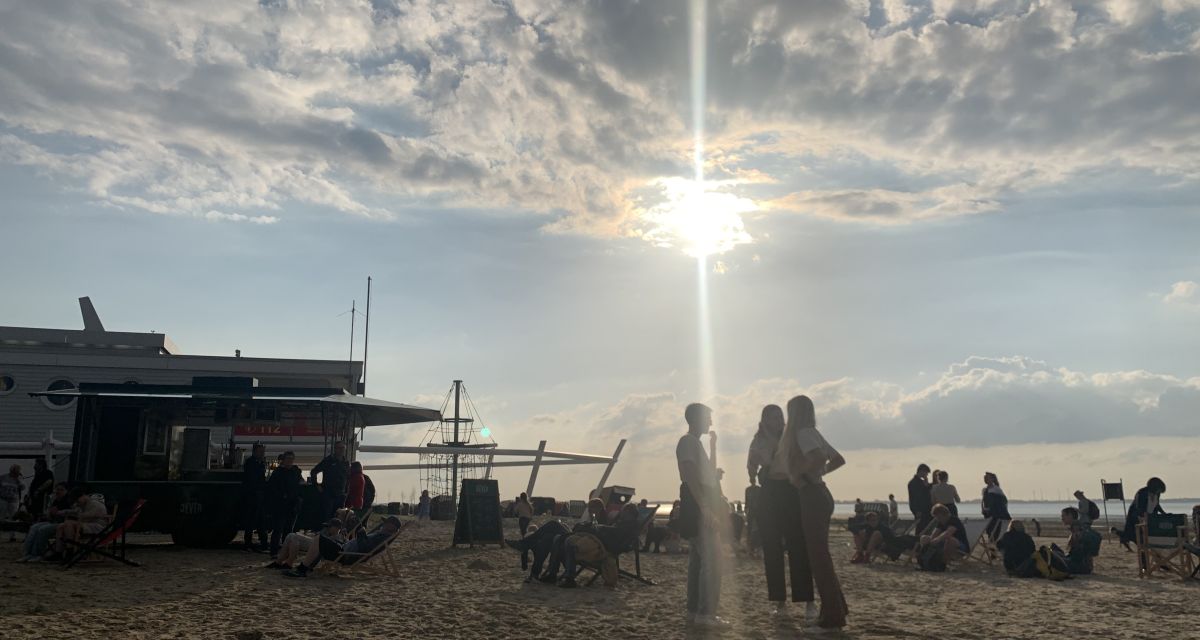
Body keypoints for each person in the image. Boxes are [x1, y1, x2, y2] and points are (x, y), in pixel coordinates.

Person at [774, 395, 848, 632]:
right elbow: (837, 459)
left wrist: (800, 474)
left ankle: (832, 619)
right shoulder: (813, 432)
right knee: (820, 556)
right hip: (820, 493)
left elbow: (817, 458)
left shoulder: (803, 434)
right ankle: (836, 609)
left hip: (812, 495)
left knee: (818, 558)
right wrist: (817, 473)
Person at [748, 404, 815, 620]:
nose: (777, 420)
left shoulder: (790, 436)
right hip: (768, 492)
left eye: (779, 416)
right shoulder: (758, 439)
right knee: (772, 548)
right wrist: (753, 470)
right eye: (772, 417)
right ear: (764, 419)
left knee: (798, 545)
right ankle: (779, 600)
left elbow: (795, 461)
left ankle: (807, 600)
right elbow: (751, 466)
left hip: (790, 490)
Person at [676, 403, 728, 628]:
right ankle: (706, 614)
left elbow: (707, 475)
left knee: (699, 560)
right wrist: (705, 507)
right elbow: (689, 475)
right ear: (696, 418)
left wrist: (714, 447)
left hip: (700, 501)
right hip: (699, 503)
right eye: (708, 417)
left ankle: (694, 612)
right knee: (712, 560)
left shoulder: (695, 443)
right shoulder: (688, 441)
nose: (710, 422)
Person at [285, 515, 403, 577]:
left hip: (346, 556)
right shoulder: (381, 535)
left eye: (387, 522)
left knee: (319, 539)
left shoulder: (382, 537)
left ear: (392, 527)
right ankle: (304, 567)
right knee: (320, 540)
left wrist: (361, 531)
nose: (384, 523)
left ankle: (303, 569)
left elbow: (364, 547)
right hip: (345, 551)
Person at [45, 488, 108, 560]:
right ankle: (59, 552)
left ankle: (70, 550)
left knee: (69, 523)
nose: (77, 503)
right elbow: (72, 512)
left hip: (97, 527)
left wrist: (77, 515)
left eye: (77, 501)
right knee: (61, 526)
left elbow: (88, 516)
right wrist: (58, 512)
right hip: (86, 525)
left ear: (83, 496)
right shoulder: (82, 505)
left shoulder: (95, 504)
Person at [17, 482, 71, 561]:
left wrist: (58, 513)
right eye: (57, 489)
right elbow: (50, 514)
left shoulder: (69, 501)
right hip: (53, 521)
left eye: (61, 490)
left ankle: (37, 554)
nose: (58, 491)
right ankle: (27, 553)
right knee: (34, 528)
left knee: (42, 530)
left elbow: (71, 513)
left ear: (66, 491)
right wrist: (49, 514)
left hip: (62, 524)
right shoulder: (56, 500)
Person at [265, 451, 304, 558]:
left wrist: (298, 498)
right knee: (278, 529)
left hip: (293, 504)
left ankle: (285, 551)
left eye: (291, 458)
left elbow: (300, 483)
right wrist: (282, 496)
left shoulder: (295, 471)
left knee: (289, 530)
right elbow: (272, 488)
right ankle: (274, 552)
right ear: (284, 460)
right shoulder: (278, 472)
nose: (290, 461)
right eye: (288, 458)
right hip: (281, 505)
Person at [268, 518, 345, 569]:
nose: (327, 528)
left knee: (293, 536)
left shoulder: (338, 537)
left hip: (317, 546)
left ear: (336, 528)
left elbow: (332, 547)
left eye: (329, 527)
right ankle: (282, 562)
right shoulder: (328, 532)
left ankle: (285, 562)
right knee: (291, 536)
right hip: (315, 543)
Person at [1115, 477, 1166, 551]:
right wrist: (1143, 517)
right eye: (1159, 490)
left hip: (1149, 517)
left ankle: (1119, 534)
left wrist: (1163, 513)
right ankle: (1118, 533)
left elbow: (1157, 505)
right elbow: (1138, 507)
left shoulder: (1157, 494)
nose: (1159, 492)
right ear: (1154, 487)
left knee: (1145, 538)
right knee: (1136, 537)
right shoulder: (1142, 493)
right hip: (1137, 517)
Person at [1053, 507, 1101, 575]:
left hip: (1081, 566)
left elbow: (1078, 553)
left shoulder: (1077, 528)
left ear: (1070, 515)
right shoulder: (1079, 527)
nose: (1062, 518)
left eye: (1063, 516)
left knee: (1053, 556)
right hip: (1084, 565)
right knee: (1054, 550)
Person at [310, 441, 350, 520]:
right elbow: (314, 471)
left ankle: (336, 532)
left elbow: (348, 478)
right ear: (335, 449)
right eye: (339, 448)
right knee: (327, 517)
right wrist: (316, 485)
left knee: (339, 519)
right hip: (329, 494)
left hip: (341, 495)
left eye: (343, 448)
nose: (341, 450)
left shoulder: (346, 462)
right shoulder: (328, 460)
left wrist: (346, 491)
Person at [240, 443, 268, 551]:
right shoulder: (252, 463)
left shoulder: (255, 462)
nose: (262, 453)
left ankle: (259, 542)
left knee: (258, 519)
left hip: (256, 494)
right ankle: (251, 543)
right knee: (253, 520)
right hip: (253, 495)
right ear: (255, 451)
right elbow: (253, 479)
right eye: (261, 451)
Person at [981, 472, 1011, 541]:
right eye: (984, 478)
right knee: (989, 531)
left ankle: (995, 544)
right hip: (988, 514)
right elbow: (983, 501)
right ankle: (992, 546)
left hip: (996, 514)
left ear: (992, 479)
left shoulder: (996, 489)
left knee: (995, 531)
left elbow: (1004, 501)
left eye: (987, 478)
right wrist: (983, 509)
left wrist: (1004, 510)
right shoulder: (984, 490)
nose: (985, 479)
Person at [1, 464, 25, 541]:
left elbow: (23, 487)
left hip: (14, 500)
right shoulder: (3, 477)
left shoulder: (19, 479)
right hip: (3, 499)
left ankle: (12, 536)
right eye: (14, 471)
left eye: (17, 472)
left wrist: (18, 480)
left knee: (13, 518)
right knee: (1, 517)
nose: (15, 473)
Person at [907, 464, 933, 534]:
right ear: (922, 471)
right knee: (921, 530)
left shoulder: (919, 482)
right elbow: (916, 498)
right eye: (926, 473)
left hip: (924, 510)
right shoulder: (914, 483)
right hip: (921, 511)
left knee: (924, 529)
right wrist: (916, 510)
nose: (927, 475)